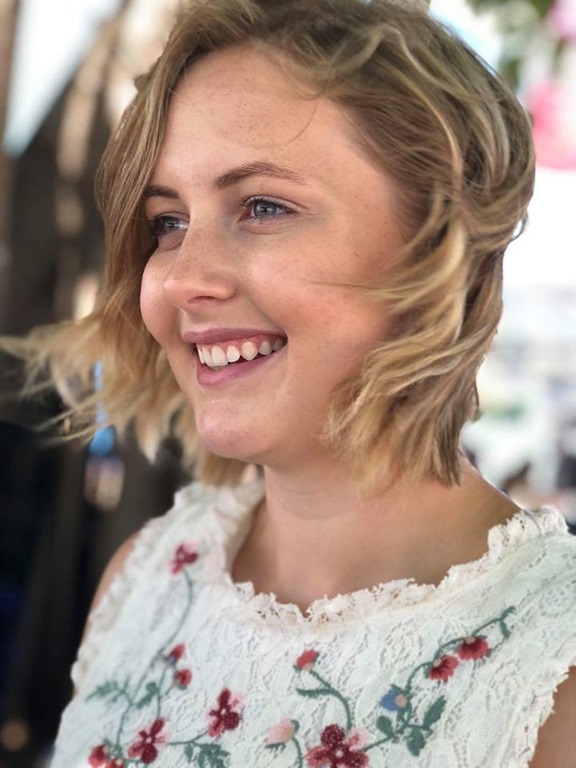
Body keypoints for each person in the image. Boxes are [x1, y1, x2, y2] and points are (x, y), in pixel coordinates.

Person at [5, 0, 576, 765]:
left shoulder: (553, 668)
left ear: (439, 239)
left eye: (263, 207)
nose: (182, 278)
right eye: (168, 221)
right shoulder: (146, 578)